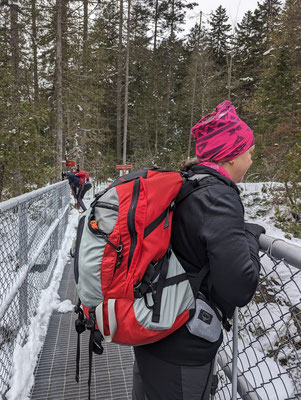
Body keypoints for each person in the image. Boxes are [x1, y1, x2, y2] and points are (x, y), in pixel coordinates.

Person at [132, 100, 266, 400]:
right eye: (249, 153)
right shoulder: (218, 198)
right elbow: (240, 287)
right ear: (231, 157)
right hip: (182, 345)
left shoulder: (185, 183)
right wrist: (250, 237)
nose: (251, 161)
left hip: (153, 326)